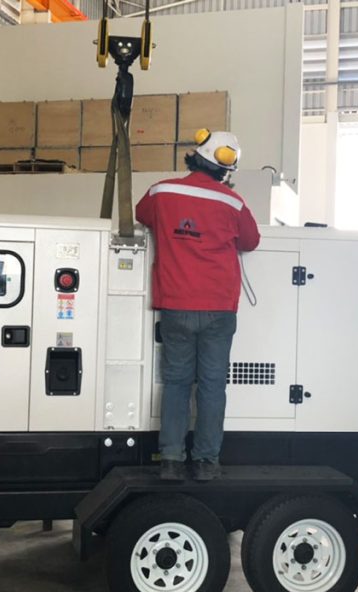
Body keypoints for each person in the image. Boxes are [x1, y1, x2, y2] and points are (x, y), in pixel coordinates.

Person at [135, 129, 261, 481]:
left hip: (175, 306)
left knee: (176, 383)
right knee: (212, 386)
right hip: (219, 309)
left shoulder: (161, 192)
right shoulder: (232, 203)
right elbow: (251, 241)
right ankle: (206, 462)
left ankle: (171, 460)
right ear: (227, 169)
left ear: (196, 153)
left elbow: (142, 214)